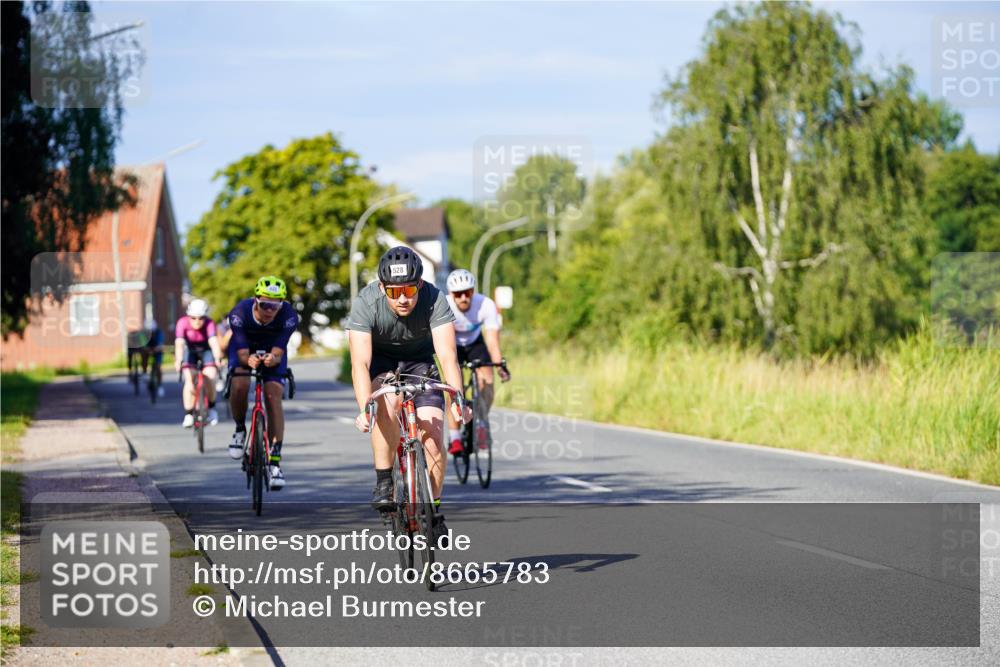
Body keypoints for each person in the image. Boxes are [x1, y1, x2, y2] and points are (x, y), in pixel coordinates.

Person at [346, 246, 468, 544]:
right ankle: (385, 480)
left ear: (420, 285)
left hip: (421, 364)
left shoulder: (435, 299)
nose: (402, 298)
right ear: (382, 287)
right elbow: (360, 363)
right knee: (387, 401)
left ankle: (433, 510)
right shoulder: (366, 302)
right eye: (394, 291)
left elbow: (448, 357)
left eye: (410, 289)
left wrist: (458, 402)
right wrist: (365, 408)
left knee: (434, 441)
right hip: (382, 364)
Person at [226, 275, 299, 491]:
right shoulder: (239, 313)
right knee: (239, 384)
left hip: (272, 349)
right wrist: (248, 359)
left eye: (275, 305)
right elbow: (241, 353)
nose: (269, 310)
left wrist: (273, 358)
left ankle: (275, 461)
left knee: (273, 394)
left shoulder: (289, 316)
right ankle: (240, 429)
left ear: (282, 304)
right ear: (256, 300)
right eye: (265, 304)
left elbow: (279, 350)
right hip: (243, 347)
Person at [443, 269, 510, 455]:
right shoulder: (444, 305)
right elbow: (443, 344)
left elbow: (492, 342)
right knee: (452, 387)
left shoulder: (485, 305)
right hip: (452, 343)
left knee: (487, 377)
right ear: (451, 294)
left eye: (468, 292)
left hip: (475, 343)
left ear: (474, 291)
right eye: (458, 294)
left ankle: (481, 423)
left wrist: (500, 367)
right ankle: (455, 437)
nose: (464, 297)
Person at [174, 299, 223, 427]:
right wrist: (178, 360)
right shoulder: (182, 323)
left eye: (201, 318)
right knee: (189, 381)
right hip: (190, 351)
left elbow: (213, 342)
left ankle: (212, 408)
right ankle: (189, 414)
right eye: (193, 318)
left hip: (206, 351)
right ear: (188, 316)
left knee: (211, 377)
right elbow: (179, 343)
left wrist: (218, 358)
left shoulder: (209, 324)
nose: (197, 321)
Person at [141, 317, 166, 398]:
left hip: (157, 349)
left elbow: (160, 345)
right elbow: (142, 345)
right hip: (148, 349)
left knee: (158, 367)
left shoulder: (159, 333)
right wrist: (146, 349)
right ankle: (144, 372)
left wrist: (156, 349)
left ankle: (160, 386)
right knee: (144, 355)